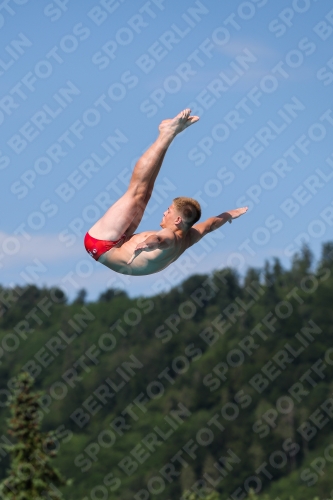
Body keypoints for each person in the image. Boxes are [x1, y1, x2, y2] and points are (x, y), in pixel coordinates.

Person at [84, 109, 248, 276]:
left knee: (137, 192)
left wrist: (148, 244)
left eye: (168, 211)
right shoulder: (188, 237)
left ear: (177, 219)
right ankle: (168, 134)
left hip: (102, 242)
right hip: (116, 245)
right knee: (146, 193)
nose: (164, 212)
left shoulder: (171, 235)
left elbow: (161, 239)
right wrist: (229, 214)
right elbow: (210, 225)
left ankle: (167, 133)